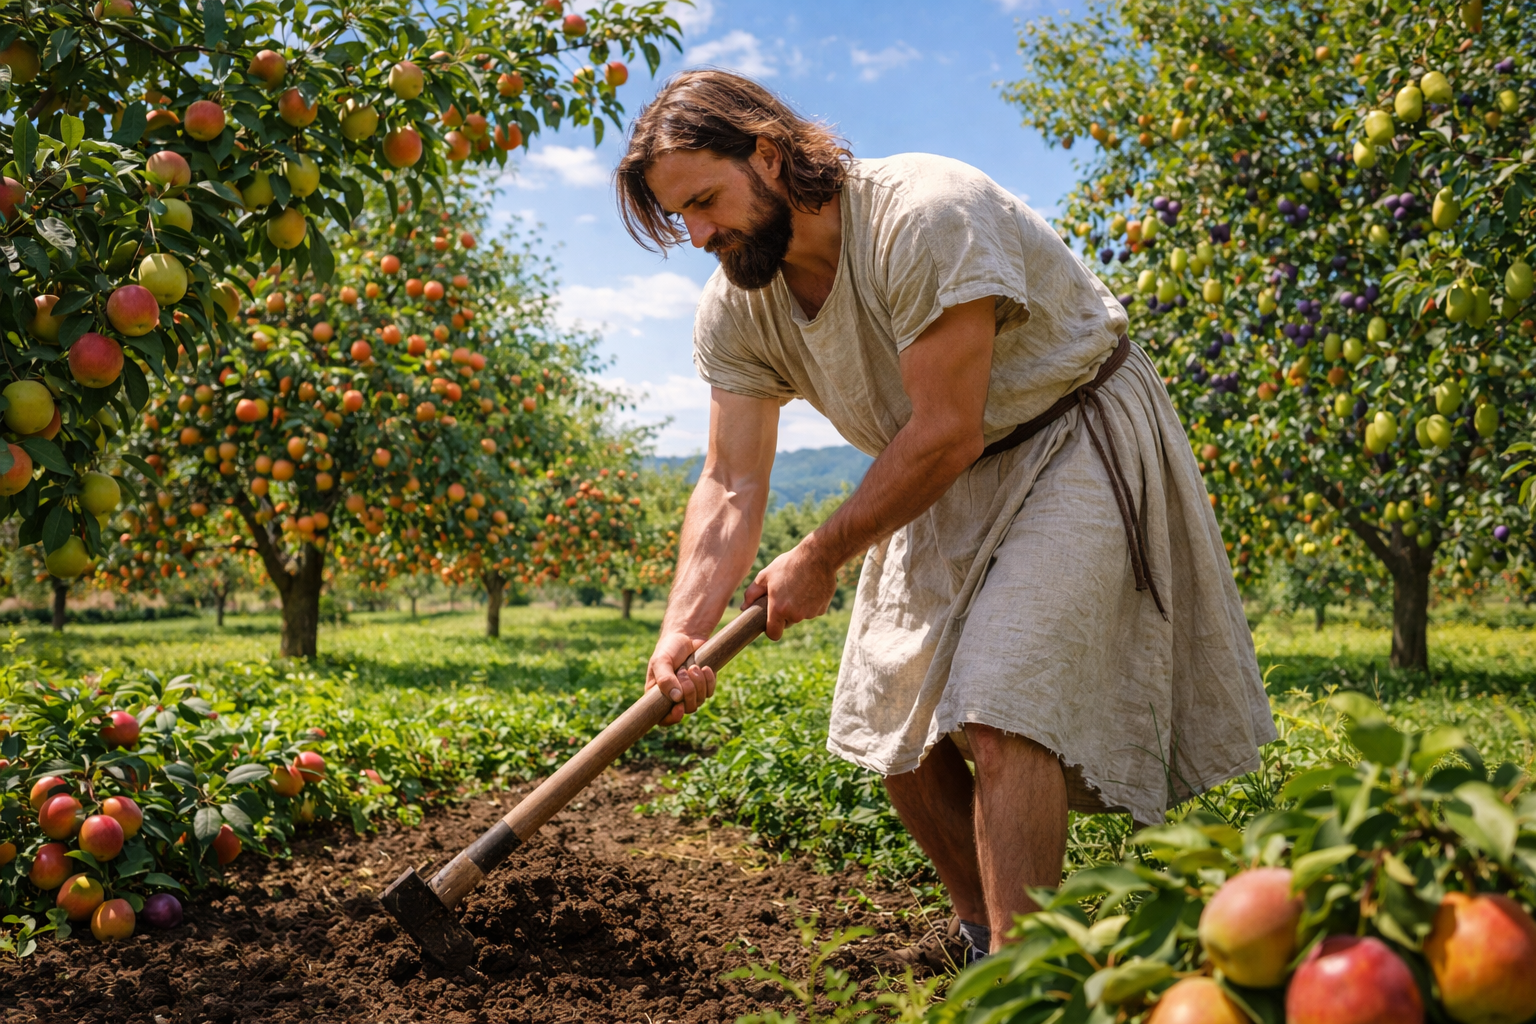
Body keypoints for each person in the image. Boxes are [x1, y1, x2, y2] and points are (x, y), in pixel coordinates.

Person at [613, 70, 1275, 961]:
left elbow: (947, 428)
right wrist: (680, 632)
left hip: (1063, 435)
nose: (697, 235)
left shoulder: (925, 215)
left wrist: (822, 554)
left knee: (998, 711)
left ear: (767, 155)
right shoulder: (738, 301)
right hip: (933, 474)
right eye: (678, 218)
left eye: (705, 201)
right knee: (898, 731)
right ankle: (982, 938)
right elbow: (730, 480)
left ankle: (1025, 980)